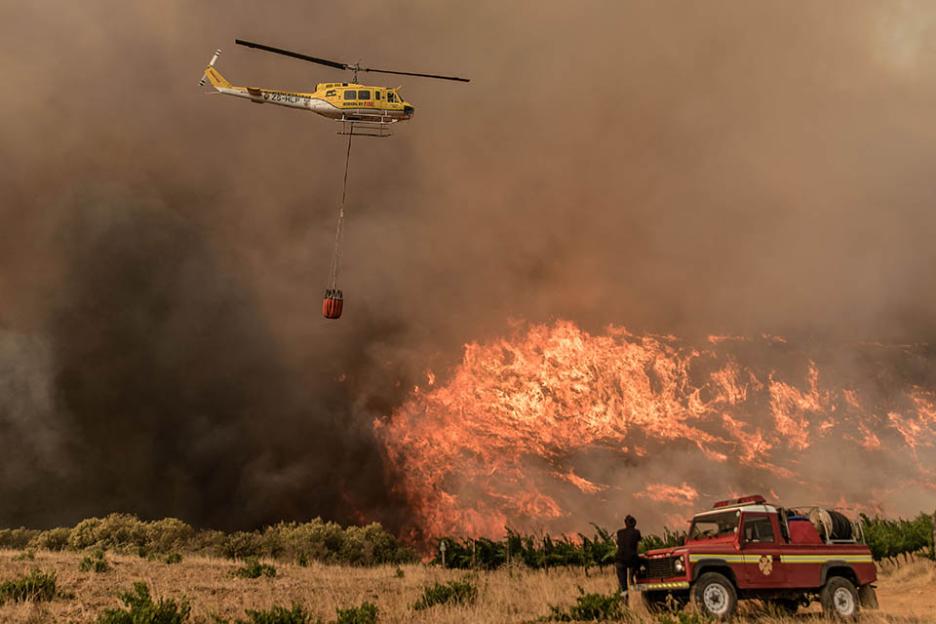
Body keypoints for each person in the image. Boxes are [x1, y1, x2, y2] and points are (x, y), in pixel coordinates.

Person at [615, 515, 641, 599]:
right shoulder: (636, 532)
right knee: (641, 561)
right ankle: (631, 577)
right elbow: (638, 543)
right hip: (632, 560)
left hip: (620, 560)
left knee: (623, 585)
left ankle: (625, 602)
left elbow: (618, 543)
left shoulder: (619, 532)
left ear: (625, 523)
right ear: (634, 524)